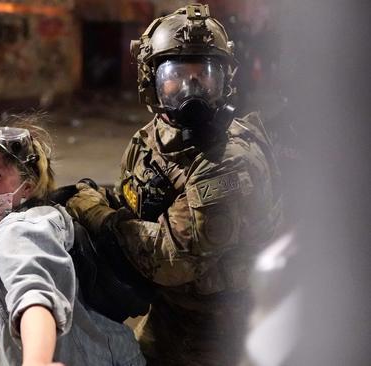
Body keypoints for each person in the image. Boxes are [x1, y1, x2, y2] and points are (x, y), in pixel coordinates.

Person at [66, 4, 283, 365]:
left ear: (226, 82)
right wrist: (98, 198)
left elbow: (171, 260)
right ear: (150, 81)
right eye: (177, 77)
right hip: (170, 313)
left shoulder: (228, 162)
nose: (191, 91)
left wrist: (98, 214)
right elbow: (134, 199)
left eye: (205, 77)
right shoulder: (154, 137)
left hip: (221, 331)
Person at [0, 115, 145, 366]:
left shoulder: (19, 230)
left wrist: (37, 362)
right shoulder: (46, 213)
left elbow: (34, 294)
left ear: (27, 186)